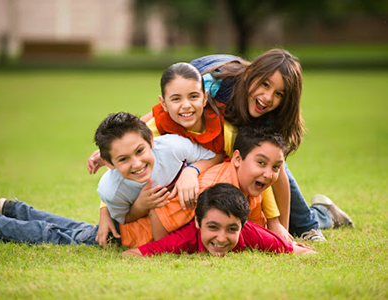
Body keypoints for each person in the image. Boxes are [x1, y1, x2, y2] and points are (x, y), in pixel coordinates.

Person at [0, 112, 216, 246]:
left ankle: (18, 211)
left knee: (79, 229)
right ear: (108, 163)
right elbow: (123, 220)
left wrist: (192, 171)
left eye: (140, 151)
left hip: (149, 223)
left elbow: (215, 155)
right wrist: (142, 206)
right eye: (123, 160)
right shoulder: (111, 188)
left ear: (151, 141)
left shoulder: (172, 146)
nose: (136, 164)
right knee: (68, 236)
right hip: (131, 230)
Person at [90, 62, 284, 245]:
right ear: (164, 103)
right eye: (176, 99)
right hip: (175, 201)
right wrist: (104, 211)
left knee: (276, 171)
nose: (186, 106)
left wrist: (275, 221)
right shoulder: (157, 127)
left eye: (193, 96)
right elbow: (119, 165)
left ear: (205, 97)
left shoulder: (226, 133)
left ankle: (308, 218)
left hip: (225, 187)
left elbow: (259, 169)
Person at [189, 49, 355, 240]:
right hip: (207, 136)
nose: (268, 97)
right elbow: (168, 110)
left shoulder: (269, 115)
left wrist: (280, 229)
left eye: (279, 93)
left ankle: (309, 224)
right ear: (251, 74)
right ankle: (320, 214)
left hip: (232, 137)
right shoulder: (215, 83)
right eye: (265, 84)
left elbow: (280, 173)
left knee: (269, 163)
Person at [123, 183, 315, 257]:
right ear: (197, 223)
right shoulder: (186, 238)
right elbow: (130, 254)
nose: (221, 238)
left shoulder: (250, 233)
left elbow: (301, 252)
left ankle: (323, 212)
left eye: (232, 229)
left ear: (243, 226)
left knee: (318, 218)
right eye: (213, 227)